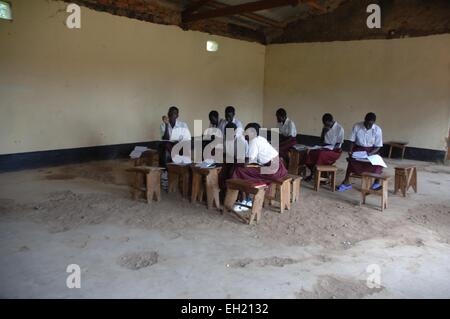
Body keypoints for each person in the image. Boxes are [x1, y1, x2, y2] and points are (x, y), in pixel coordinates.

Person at [337, 112, 384, 191]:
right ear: (364, 120)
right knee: (351, 161)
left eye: (370, 124)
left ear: (373, 122)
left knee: (378, 163)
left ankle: (376, 182)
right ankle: (346, 182)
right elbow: (351, 141)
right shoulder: (357, 126)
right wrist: (350, 151)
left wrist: (369, 154)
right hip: (358, 149)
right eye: (367, 123)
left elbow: (378, 146)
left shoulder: (377, 130)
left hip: (372, 151)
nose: (368, 126)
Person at [304, 113, 344, 181]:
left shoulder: (339, 128)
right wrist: (324, 132)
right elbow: (321, 141)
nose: (325, 125)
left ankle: (315, 174)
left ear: (331, 121)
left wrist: (329, 148)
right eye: (324, 124)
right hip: (324, 147)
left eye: (327, 124)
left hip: (335, 150)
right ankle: (313, 172)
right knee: (310, 152)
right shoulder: (325, 127)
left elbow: (338, 144)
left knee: (321, 154)